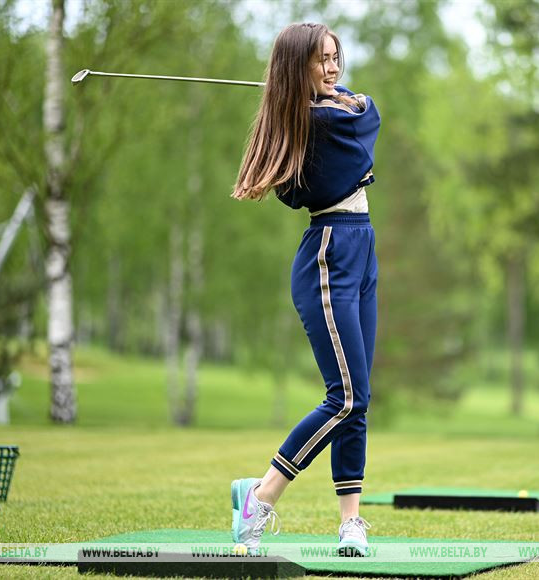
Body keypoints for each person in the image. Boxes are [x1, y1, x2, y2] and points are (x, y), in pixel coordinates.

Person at [229, 22, 381, 558]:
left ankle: (351, 523)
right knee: (346, 397)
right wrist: (345, 99)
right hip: (330, 253)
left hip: (361, 245)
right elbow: (367, 117)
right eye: (321, 60)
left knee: (358, 399)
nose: (333, 68)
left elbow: (354, 110)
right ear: (298, 68)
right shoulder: (316, 121)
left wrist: (330, 94)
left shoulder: (314, 112)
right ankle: (261, 496)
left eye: (336, 57)